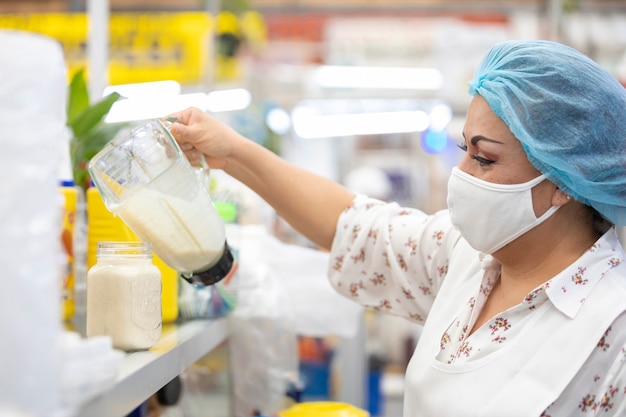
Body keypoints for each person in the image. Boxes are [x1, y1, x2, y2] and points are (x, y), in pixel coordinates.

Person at [168, 40, 626, 416]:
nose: (461, 173)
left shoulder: (612, 332)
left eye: (484, 159)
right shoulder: (466, 258)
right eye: (464, 148)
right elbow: (355, 227)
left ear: (565, 180)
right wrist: (232, 154)